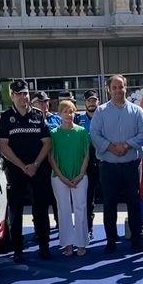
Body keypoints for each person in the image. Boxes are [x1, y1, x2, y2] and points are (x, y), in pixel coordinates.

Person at [89, 74, 143, 253]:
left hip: (131, 165)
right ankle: (111, 241)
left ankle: (136, 240)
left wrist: (127, 145)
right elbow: (94, 134)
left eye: (120, 87)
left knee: (133, 203)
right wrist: (110, 147)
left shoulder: (137, 111)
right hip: (108, 166)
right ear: (109, 90)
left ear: (126, 88)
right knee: (109, 204)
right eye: (114, 87)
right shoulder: (100, 111)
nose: (117, 90)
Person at [0, 79, 53, 262]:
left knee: (41, 209)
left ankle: (44, 247)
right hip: (16, 171)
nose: (23, 97)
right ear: (12, 96)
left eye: (26, 94)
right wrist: (22, 166)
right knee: (16, 211)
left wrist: (36, 164)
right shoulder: (6, 117)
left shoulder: (38, 115)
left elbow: (47, 142)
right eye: (19, 94)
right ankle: (18, 250)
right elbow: (3, 146)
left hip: (38, 170)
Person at [49, 99, 90, 256]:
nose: (68, 114)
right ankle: (67, 244)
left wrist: (80, 174)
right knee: (64, 210)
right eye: (65, 111)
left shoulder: (81, 132)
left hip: (80, 176)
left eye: (71, 111)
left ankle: (81, 243)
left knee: (81, 208)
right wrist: (62, 177)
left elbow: (86, 154)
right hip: (59, 178)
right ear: (59, 114)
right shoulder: (53, 134)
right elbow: (51, 158)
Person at [31, 90, 60, 228]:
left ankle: (61, 225)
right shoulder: (30, 120)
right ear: (33, 104)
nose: (44, 104)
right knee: (39, 200)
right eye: (40, 102)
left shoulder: (56, 119)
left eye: (46, 101)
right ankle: (40, 229)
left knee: (57, 198)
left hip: (56, 164)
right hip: (39, 165)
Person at [76, 89, 101, 241]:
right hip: (86, 160)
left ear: (98, 101)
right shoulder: (78, 120)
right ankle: (88, 228)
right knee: (87, 197)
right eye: (89, 101)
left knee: (111, 197)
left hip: (104, 158)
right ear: (84, 103)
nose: (92, 103)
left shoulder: (104, 116)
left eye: (94, 100)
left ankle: (113, 233)